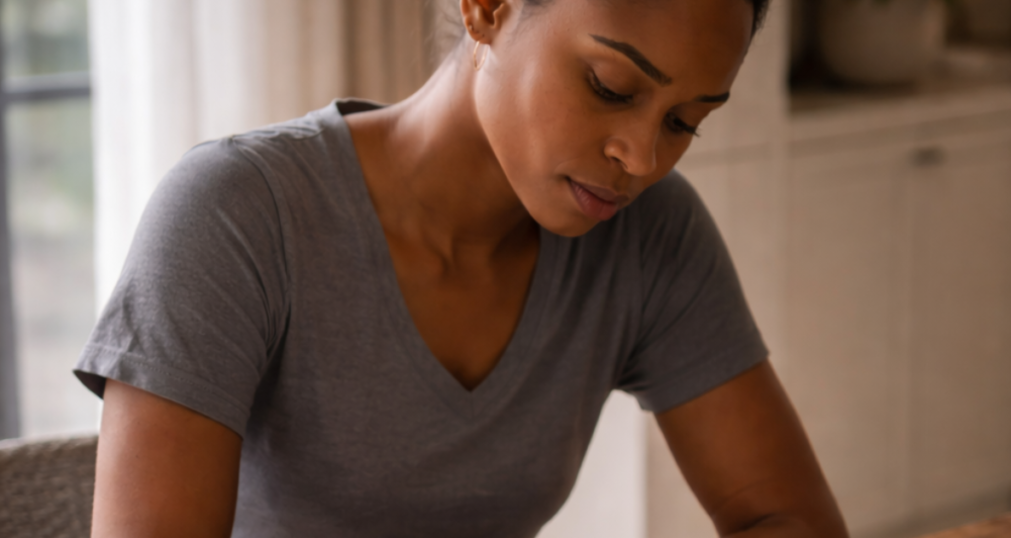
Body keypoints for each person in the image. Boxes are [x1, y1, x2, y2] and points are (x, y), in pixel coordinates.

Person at [74, 0, 848, 536]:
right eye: (611, 87)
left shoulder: (652, 238)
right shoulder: (235, 217)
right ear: (488, 8)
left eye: (686, 122)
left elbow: (789, 520)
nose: (640, 158)